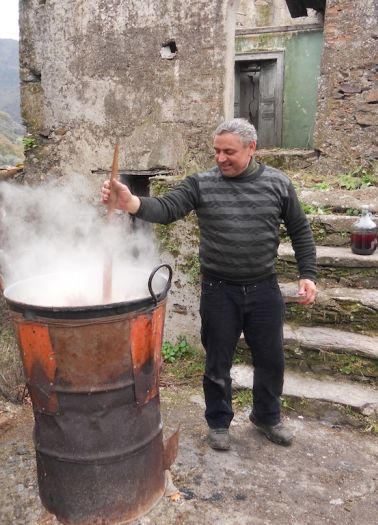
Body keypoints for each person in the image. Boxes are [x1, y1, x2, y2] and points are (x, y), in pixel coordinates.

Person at [101, 118, 317, 451]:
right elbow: (167, 208)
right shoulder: (201, 184)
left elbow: (300, 230)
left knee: (271, 359)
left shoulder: (278, 184)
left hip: (263, 289)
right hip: (219, 290)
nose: (220, 158)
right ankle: (218, 422)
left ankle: (267, 416)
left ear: (251, 148)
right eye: (216, 151)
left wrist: (308, 273)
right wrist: (131, 203)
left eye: (229, 151)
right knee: (218, 361)